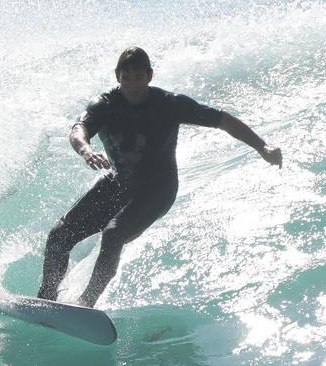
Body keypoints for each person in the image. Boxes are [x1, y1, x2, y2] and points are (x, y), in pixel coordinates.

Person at [37, 47, 282, 308]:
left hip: (158, 189)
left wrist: (262, 147)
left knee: (113, 235)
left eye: (139, 78)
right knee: (59, 235)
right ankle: (47, 300)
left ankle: (86, 304)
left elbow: (222, 120)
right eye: (126, 78)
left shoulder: (169, 104)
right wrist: (85, 149)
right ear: (117, 76)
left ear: (150, 76)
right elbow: (79, 129)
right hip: (120, 182)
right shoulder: (105, 105)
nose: (132, 86)